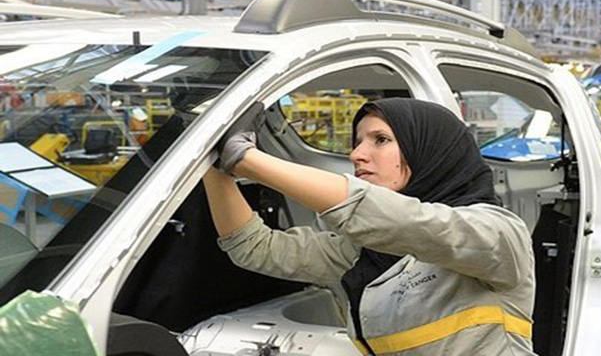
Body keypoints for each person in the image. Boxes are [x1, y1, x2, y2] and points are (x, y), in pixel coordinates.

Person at [203, 98, 535, 355]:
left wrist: (246, 159)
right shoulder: (365, 253)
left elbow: (404, 221)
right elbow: (256, 248)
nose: (357, 154)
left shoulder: (497, 234)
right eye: (358, 141)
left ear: (430, 151)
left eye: (380, 140)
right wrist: (210, 164)